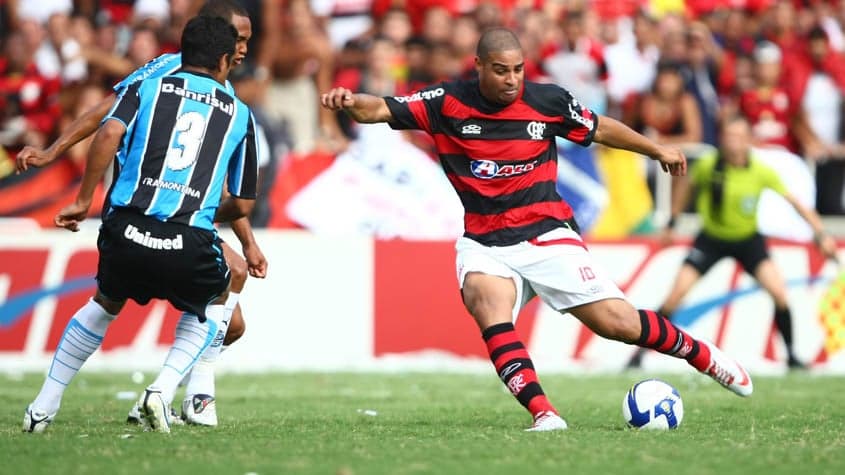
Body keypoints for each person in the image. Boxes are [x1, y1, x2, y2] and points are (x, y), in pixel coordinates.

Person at [321, 27, 754, 432]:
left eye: (518, 69)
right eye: (501, 70)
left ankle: (705, 356)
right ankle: (544, 414)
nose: (512, 80)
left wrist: (656, 148)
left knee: (617, 323)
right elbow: (380, 108)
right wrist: (349, 100)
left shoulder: (547, 101)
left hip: (547, 234)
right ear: (479, 67)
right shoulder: (446, 102)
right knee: (485, 302)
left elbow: (600, 128)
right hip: (486, 241)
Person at [16, 0, 266, 427]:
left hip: (133, 223)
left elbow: (207, 176)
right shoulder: (171, 73)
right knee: (226, 298)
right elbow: (105, 116)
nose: (243, 49)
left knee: (230, 307)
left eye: (247, 40)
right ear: (215, 38)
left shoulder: (216, 90)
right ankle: (188, 395)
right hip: (164, 217)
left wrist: (248, 240)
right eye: (238, 40)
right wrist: (55, 151)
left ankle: (47, 406)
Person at [628, 116, 838, 370]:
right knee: (675, 296)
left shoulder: (761, 171)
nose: (733, 143)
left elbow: (796, 204)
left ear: (749, 140)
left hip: (748, 241)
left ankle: (792, 356)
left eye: (739, 137)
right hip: (711, 239)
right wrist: (672, 223)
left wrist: (821, 234)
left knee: (780, 293)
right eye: (728, 136)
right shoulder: (708, 165)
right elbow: (685, 186)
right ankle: (639, 355)